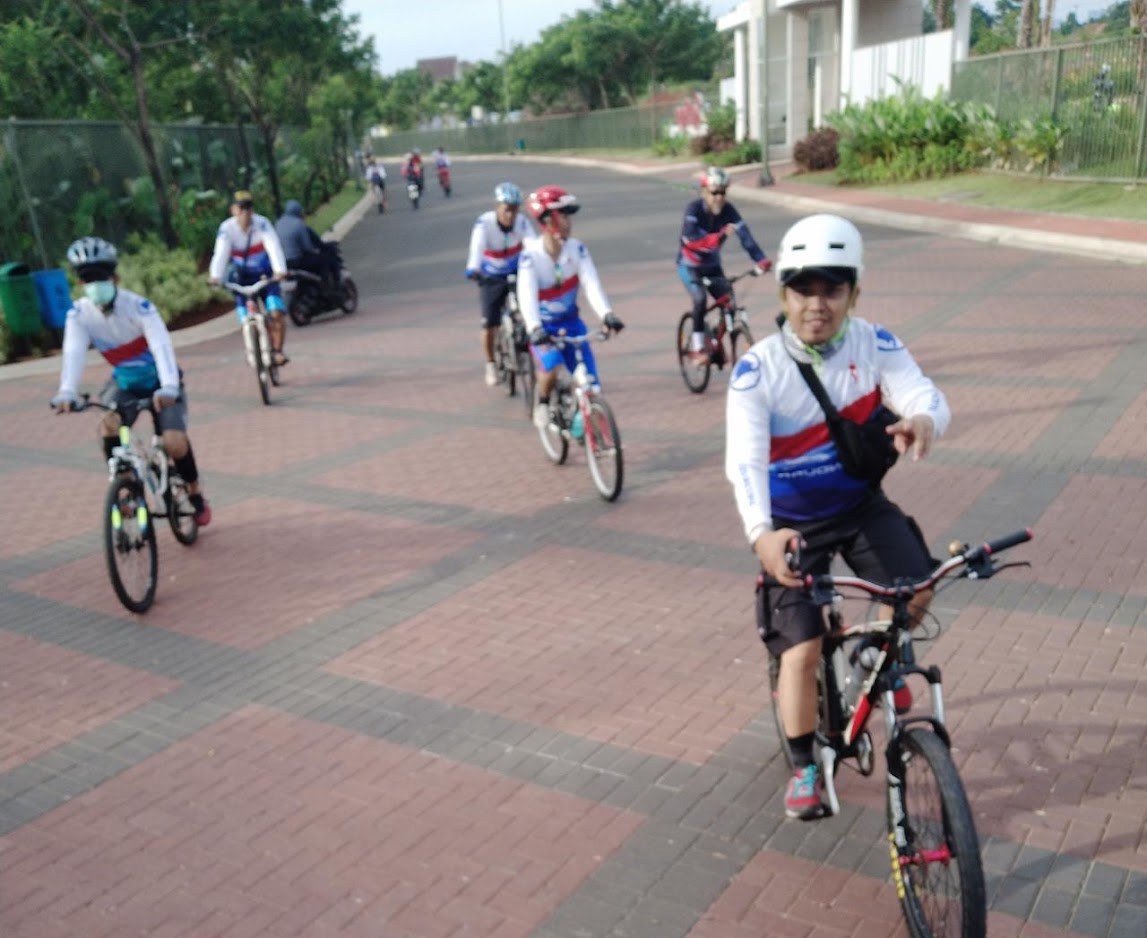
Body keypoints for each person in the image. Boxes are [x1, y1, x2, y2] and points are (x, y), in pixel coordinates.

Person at [724, 213, 950, 820]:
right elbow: (744, 464)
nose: (817, 304)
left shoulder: (874, 343)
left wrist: (924, 419)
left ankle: (872, 658)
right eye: (803, 289)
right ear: (784, 296)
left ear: (854, 293)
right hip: (790, 525)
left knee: (918, 586)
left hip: (857, 505)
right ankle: (804, 765)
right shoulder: (757, 372)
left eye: (832, 289)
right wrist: (761, 535)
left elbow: (922, 392)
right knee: (800, 650)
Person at [51, 237, 211, 526]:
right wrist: (67, 391)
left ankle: (195, 491)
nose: (95, 284)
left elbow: (161, 346)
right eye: (88, 278)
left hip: (162, 383)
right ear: (80, 283)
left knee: (174, 442)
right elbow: (73, 353)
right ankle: (125, 486)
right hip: (125, 384)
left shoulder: (139, 307)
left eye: (100, 277)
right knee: (107, 425)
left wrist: (169, 386)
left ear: (115, 278)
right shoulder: (79, 315)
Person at [517, 185, 625, 429]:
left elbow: (591, 283)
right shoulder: (530, 257)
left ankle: (594, 435)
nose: (569, 222)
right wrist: (534, 327)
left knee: (591, 385)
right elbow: (526, 296)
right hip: (544, 328)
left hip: (571, 323)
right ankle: (542, 403)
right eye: (564, 216)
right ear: (549, 220)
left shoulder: (576, 249)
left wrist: (607, 314)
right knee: (551, 366)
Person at [678, 166, 772, 364]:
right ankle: (698, 347)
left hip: (712, 265)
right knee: (700, 299)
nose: (719, 198)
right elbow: (690, 240)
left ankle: (718, 342)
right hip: (690, 265)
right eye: (714, 193)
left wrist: (761, 260)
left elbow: (746, 237)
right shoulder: (693, 210)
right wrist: (718, 237)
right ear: (704, 192)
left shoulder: (729, 211)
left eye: (723, 192)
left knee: (729, 301)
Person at [207, 190, 290, 366]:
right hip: (242, 279)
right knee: (245, 318)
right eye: (241, 208)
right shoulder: (227, 229)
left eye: (248, 208)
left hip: (265, 276)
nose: (245, 213)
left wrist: (280, 271)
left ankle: (277, 351)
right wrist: (215, 276)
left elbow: (273, 246)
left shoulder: (262, 224)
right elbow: (220, 253)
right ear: (233, 210)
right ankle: (253, 346)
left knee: (276, 313)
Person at [465, 182, 534, 387]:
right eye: (506, 209)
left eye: (515, 209)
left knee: (530, 309)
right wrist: (473, 268)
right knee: (489, 324)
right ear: (497, 207)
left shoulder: (522, 223)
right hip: (491, 276)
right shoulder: (484, 224)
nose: (511, 215)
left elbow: (533, 246)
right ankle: (490, 364)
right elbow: (476, 248)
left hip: (516, 272)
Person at [275, 199, 339, 289]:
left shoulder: (278, 223)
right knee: (323, 260)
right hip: (297, 261)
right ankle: (326, 287)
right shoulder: (298, 224)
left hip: (283, 262)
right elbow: (307, 247)